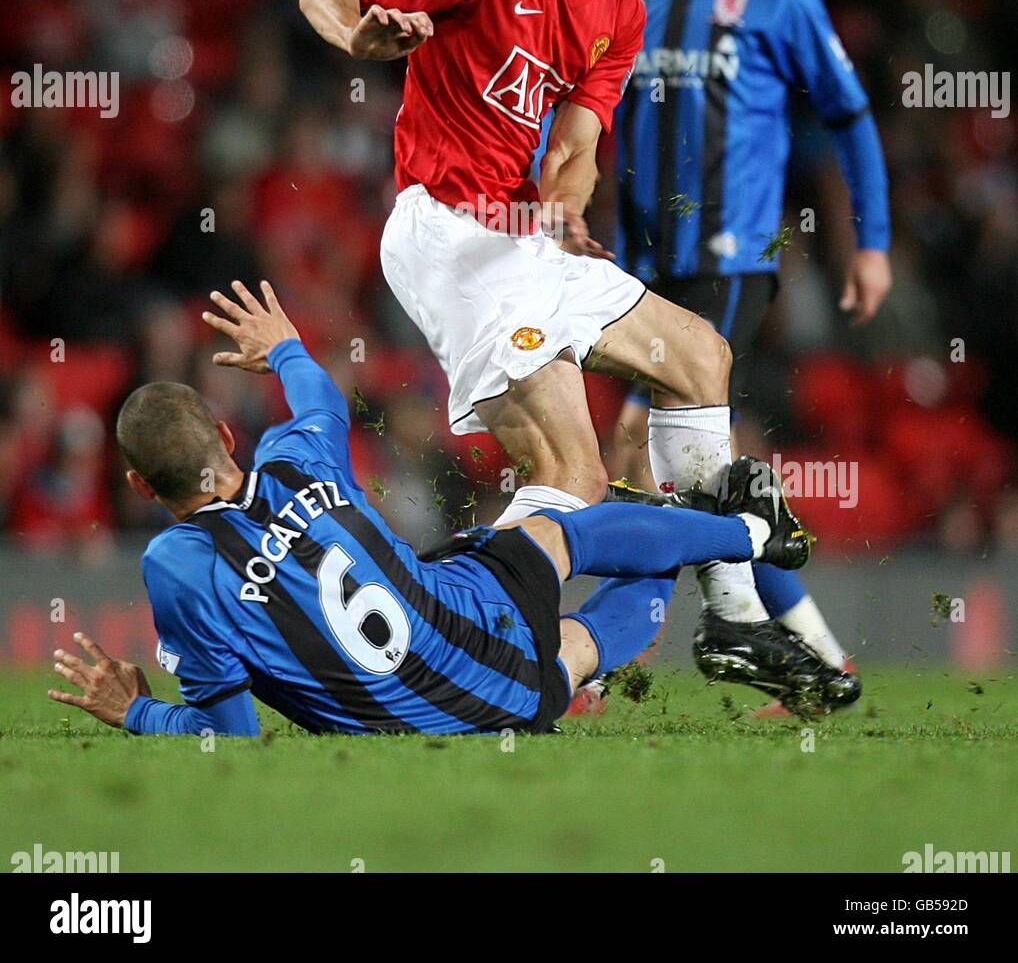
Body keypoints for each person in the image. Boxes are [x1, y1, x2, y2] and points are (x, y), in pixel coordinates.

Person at [298, 0, 839, 706]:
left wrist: (566, 198)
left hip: (527, 237)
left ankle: (735, 616)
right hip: (451, 234)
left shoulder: (620, 10)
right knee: (574, 478)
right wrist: (357, 41)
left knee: (701, 356)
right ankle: (445, 642)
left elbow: (581, 139)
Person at [47, 281, 820, 736]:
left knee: (574, 651)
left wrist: (141, 713)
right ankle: (741, 529)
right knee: (556, 534)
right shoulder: (295, 455)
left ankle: (681, 545)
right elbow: (318, 394)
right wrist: (283, 345)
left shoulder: (175, 567)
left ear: (140, 486)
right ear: (224, 434)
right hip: (453, 608)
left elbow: (231, 736)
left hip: (479, 705)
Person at [607, 0, 890, 709]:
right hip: (641, 260)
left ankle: (620, 653)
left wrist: (870, 241)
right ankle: (815, 657)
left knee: (634, 442)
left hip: (734, 260)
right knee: (695, 470)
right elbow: (573, 90)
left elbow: (846, 112)